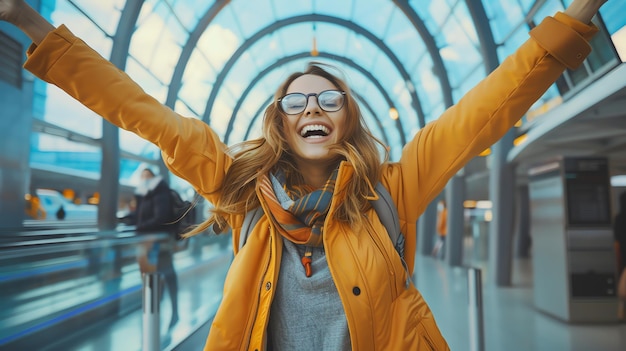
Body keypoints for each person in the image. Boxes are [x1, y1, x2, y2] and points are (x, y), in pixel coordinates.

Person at [0, 0, 608, 349]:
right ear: (279, 121)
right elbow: (142, 112)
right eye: (295, 101)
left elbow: (485, 108)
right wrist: (32, 24)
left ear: (348, 117)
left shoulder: (393, 188)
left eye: (328, 98)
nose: (311, 108)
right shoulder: (238, 185)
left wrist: (573, 20)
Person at [132, 167, 180, 329]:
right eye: (142, 176)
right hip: (146, 240)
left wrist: (141, 226)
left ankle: (174, 310)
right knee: (153, 273)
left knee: (165, 272)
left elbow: (161, 216)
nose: (144, 178)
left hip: (159, 240)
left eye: (147, 175)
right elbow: (139, 215)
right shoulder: (143, 193)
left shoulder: (159, 189)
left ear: (153, 177)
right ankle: (155, 308)